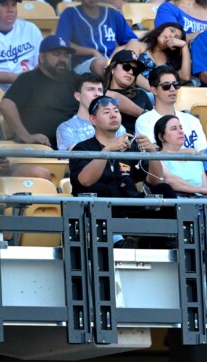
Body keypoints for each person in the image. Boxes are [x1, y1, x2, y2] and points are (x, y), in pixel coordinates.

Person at [68, 95, 177, 249]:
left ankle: (168, 239)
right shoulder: (83, 148)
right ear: (93, 120)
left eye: (116, 111)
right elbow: (85, 181)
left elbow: (155, 180)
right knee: (97, 190)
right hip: (102, 214)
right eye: (106, 112)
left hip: (132, 208)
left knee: (164, 189)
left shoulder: (131, 146)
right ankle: (118, 241)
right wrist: (107, 150)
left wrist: (152, 152)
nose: (113, 115)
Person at [0, 35, 78, 148]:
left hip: (73, 145)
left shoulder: (74, 79)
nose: (62, 59)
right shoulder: (28, 79)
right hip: (42, 147)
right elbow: (6, 105)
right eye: (56, 54)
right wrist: (26, 136)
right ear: (41, 57)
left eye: (66, 55)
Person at [56, 0, 138, 76]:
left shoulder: (112, 14)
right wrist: (92, 52)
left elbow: (133, 42)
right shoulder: (70, 13)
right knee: (100, 64)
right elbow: (62, 43)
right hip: (82, 66)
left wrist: (118, 51)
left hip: (113, 63)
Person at [134, 64, 206, 148]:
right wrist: (189, 152)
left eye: (175, 85)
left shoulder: (192, 120)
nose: (172, 89)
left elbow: (203, 152)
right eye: (166, 86)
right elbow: (156, 154)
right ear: (154, 90)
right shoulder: (144, 121)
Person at [56, 72, 126, 151]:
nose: (97, 94)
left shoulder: (116, 125)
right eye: (91, 89)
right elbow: (72, 158)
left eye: (100, 90)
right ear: (78, 96)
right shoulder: (67, 128)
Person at [153, 113, 207, 196]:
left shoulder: (194, 156)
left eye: (181, 128)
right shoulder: (157, 158)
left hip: (201, 203)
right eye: (174, 129)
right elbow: (169, 180)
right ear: (161, 136)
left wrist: (203, 192)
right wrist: (200, 190)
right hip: (175, 204)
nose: (180, 131)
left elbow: (205, 186)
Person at [124, 22, 191, 86]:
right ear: (162, 28)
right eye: (171, 30)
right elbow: (128, 70)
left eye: (176, 38)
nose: (171, 36)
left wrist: (184, 46)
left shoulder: (171, 62)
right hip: (134, 93)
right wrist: (154, 90)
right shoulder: (137, 44)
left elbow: (185, 77)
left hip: (160, 96)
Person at [102, 49, 151, 134]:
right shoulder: (98, 92)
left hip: (136, 143)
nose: (131, 72)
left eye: (135, 71)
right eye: (126, 67)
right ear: (113, 68)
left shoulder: (141, 95)